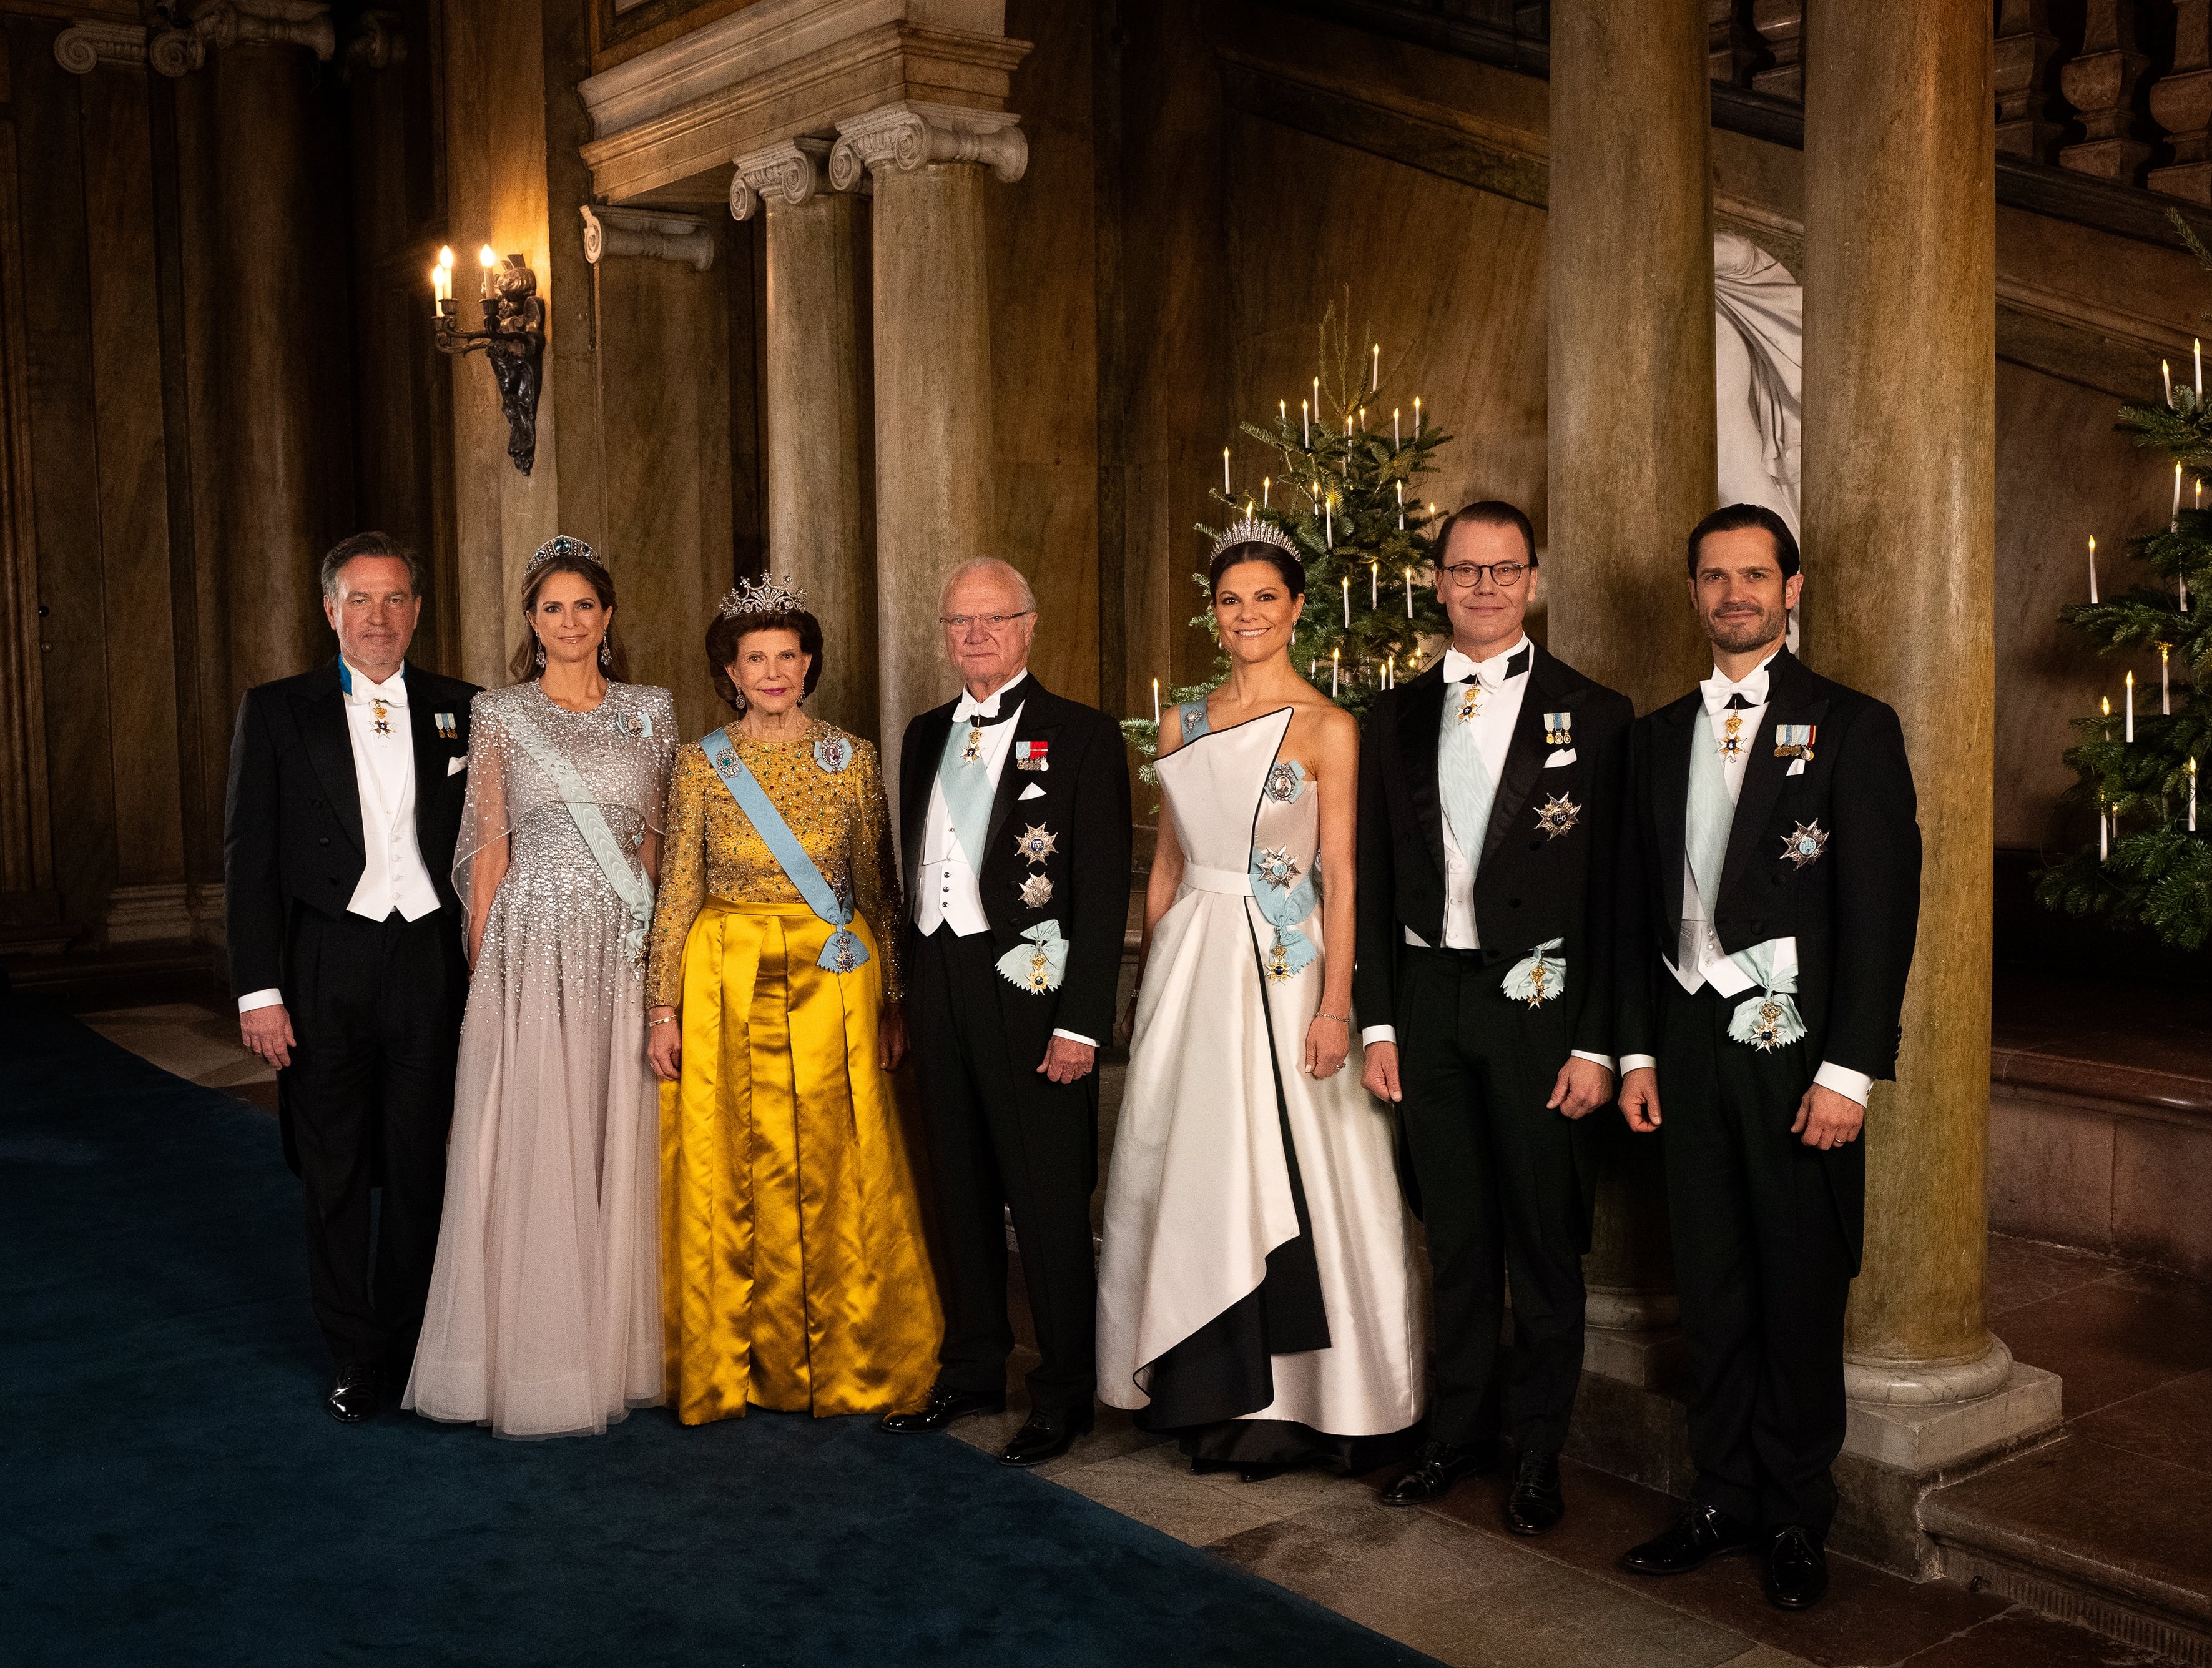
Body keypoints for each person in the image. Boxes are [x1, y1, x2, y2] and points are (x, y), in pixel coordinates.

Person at [1613, 504, 1920, 1611]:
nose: (1732, 593)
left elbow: (1882, 915)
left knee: (1796, 1283)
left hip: (1798, 1057)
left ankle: (1796, 1514)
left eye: (1754, 575)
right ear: (1692, 592)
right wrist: (1638, 1052)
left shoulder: (1851, 726)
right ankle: (1721, 1494)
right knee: (1712, 1283)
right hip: (1687, 1048)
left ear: (1794, 589)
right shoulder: (1652, 738)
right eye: (1713, 576)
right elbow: (1631, 916)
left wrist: (1849, 1072)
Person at [1096, 521, 1423, 1476]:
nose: (1248, 615)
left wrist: (1335, 1006)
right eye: (1231, 599)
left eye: (1265, 599)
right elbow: (1163, 864)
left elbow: (1345, 877)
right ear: (1213, 611)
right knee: (1189, 1160)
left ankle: (1313, 1399)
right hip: (1193, 963)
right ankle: (1203, 1382)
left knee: (1299, 1159)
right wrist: (1149, 980)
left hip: (1285, 970)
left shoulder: (1329, 727)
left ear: (1294, 609)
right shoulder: (1180, 725)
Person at [1354, 501, 1634, 1529]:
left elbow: (1617, 895)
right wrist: (1379, 1022)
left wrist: (1601, 1041)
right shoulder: (1391, 716)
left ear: (1532, 581)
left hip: (1544, 1007)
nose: (1484, 586)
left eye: (1504, 570)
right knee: (1458, 1235)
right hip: (1429, 1002)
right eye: (1465, 570)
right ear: (1437, 581)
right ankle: (1456, 1435)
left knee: (1543, 1239)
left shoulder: (1597, 715)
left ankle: (1536, 1454)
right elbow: (1376, 879)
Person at [644, 576, 940, 1424]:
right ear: (730, 673)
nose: (773, 673)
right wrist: (660, 1009)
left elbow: (881, 891)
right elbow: (679, 895)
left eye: (787, 657)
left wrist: (896, 1005)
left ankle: (848, 1353)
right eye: (755, 660)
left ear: (808, 664)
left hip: (834, 986)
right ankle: (738, 1360)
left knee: (842, 1164)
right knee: (734, 1168)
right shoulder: (701, 764)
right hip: (726, 979)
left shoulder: (854, 758)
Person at [405, 536, 674, 1439]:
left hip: (623, 945)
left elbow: (658, 846)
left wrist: (657, 959)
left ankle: (616, 1347)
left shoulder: (652, 712)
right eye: (551, 608)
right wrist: (490, 970)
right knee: (531, 1134)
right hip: (532, 943)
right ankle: (526, 1357)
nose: (569, 622)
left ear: (608, 617)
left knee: (612, 1126)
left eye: (584, 606)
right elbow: (487, 854)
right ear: (531, 622)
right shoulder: (499, 714)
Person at [880, 558, 1132, 1468]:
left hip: (1034, 995)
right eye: (960, 622)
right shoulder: (920, 734)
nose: (976, 636)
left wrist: (1082, 1023)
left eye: (994, 619)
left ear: (1030, 626)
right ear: (944, 633)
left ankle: (1064, 1392)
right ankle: (974, 1365)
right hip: (940, 980)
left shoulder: (1084, 735)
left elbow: (1102, 896)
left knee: (1048, 1197)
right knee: (959, 1188)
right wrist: (904, 997)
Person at [225, 531, 479, 1423]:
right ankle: (355, 1353)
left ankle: (409, 1346)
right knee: (332, 1167)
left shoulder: (465, 708)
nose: (379, 617)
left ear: (417, 610)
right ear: (331, 611)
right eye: (361, 600)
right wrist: (260, 990)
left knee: (419, 1164)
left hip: (428, 964)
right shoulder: (278, 709)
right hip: (325, 962)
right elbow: (248, 857)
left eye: (396, 598)